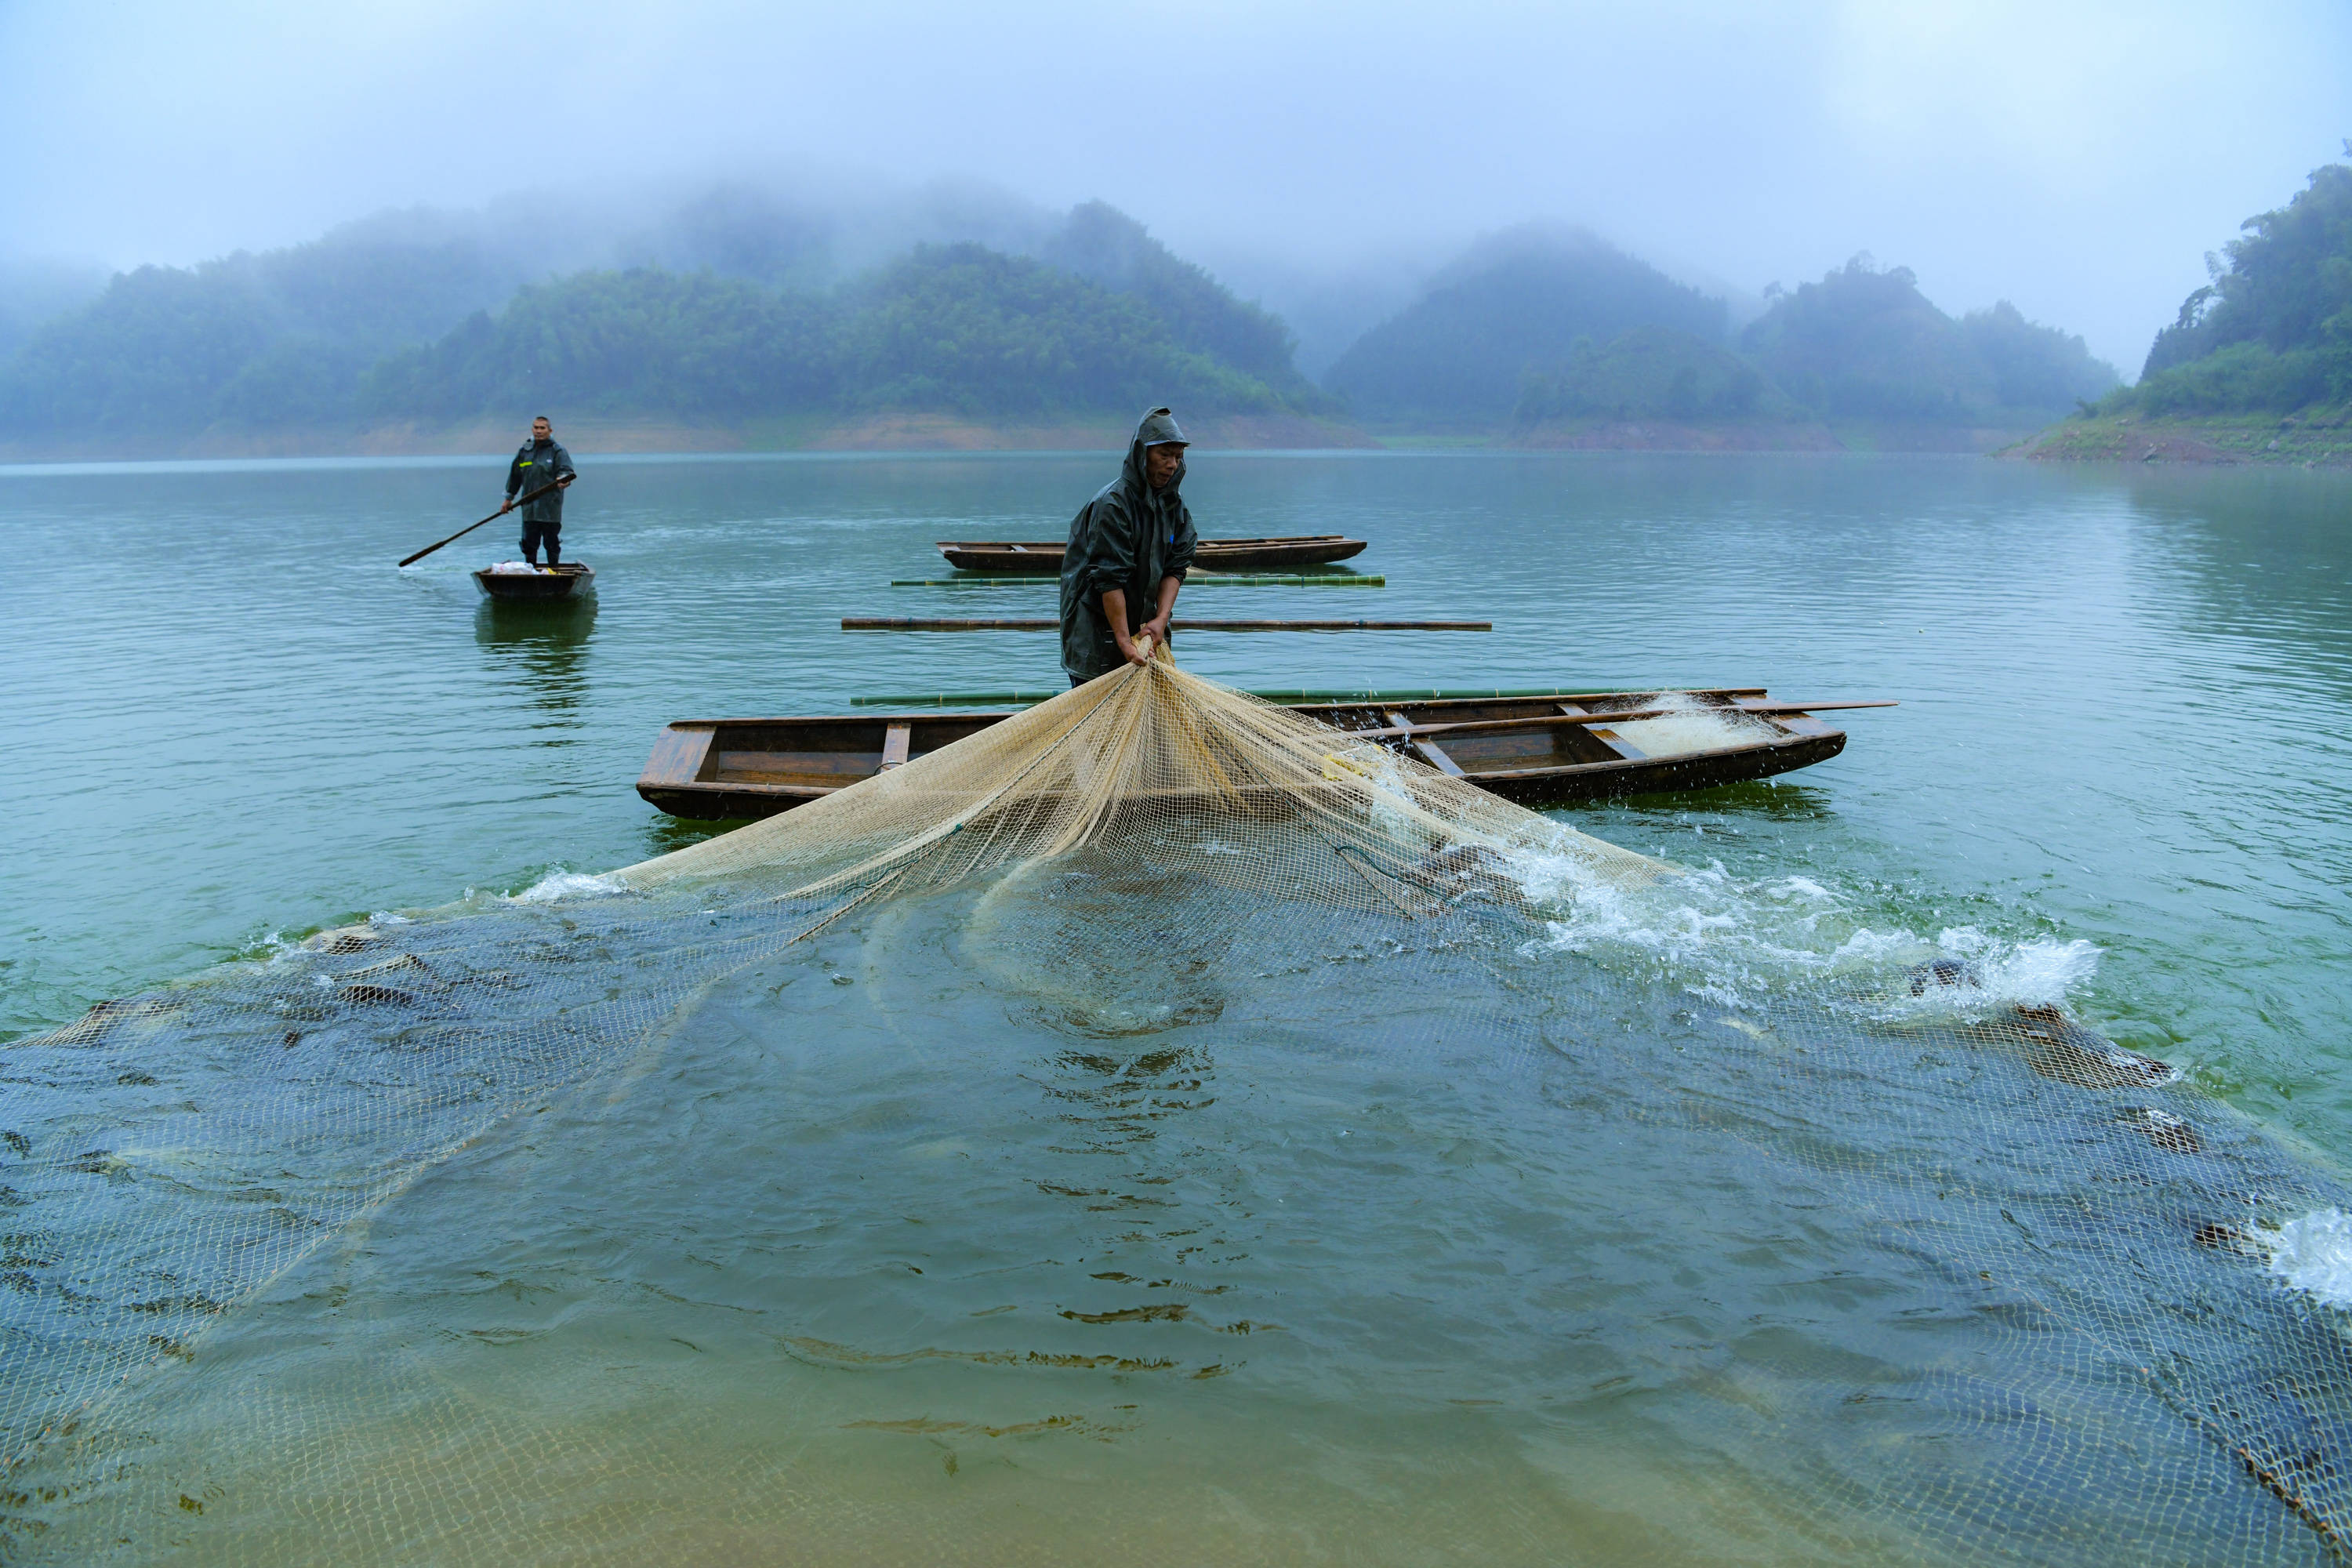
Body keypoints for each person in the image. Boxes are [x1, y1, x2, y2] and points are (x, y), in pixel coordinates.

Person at [1059, 407, 1198, 685]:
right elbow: (1110, 579)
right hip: (1097, 636)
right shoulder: (1113, 505)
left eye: (1178, 457)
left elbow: (1176, 566)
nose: (1172, 464)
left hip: (1146, 632)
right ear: (1141, 453)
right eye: (1164, 455)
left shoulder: (1174, 506)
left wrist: (1161, 619)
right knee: (1097, 722)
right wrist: (1124, 641)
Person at [500, 416, 577, 568]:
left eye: (542, 428)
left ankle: (554, 571)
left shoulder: (557, 451)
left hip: (550, 507)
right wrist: (508, 499)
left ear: (550, 430)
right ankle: (530, 570)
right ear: (532, 429)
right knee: (529, 543)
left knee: (551, 542)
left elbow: (566, 471)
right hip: (529, 507)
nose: (539, 431)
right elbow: (515, 476)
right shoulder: (525, 451)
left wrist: (563, 480)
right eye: (536, 428)